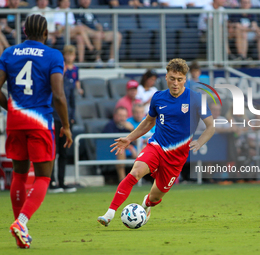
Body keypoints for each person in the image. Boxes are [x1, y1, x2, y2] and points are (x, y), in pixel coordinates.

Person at [97, 58, 214, 227]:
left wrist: (200, 141)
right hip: (157, 146)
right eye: (172, 78)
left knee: (155, 197)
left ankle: (146, 204)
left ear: (185, 80)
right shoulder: (158, 97)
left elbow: (211, 126)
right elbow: (148, 122)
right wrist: (130, 138)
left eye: (179, 79)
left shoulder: (197, 99)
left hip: (176, 159)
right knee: (135, 172)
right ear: (166, 77)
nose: (175, 83)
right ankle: (109, 214)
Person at [0, 14, 72, 248]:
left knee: (19, 175)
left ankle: (21, 232)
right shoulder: (53, 55)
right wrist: (67, 126)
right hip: (40, 123)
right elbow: (59, 95)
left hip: (15, 122)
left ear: (24, 32)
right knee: (43, 176)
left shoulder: (9, 53)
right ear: (45, 34)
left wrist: (10, 107)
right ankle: (21, 222)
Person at [49, 45, 82, 194]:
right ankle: (51, 182)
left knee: (63, 152)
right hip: (54, 120)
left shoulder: (69, 83)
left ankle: (61, 182)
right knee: (52, 152)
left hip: (66, 121)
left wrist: (71, 118)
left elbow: (72, 102)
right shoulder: (50, 84)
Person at [75, 0, 122, 67]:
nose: (86, 1)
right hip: (87, 34)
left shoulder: (91, 11)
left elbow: (97, 24)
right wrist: (96, 32)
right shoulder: (76, 11)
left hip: (97, 32)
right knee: (97, 35)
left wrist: (101, 30)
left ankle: (111, 61)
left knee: (117, 35)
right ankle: (98, 60)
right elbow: (80, 26)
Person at [102, 106, 135, 182]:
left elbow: (136, 142)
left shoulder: (127, 126)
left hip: (129, 150)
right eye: (120, 116)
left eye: (124, 116)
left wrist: (132, 130)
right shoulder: (109, 126)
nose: (122, 118)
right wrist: (130, 147)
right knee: (120, 150)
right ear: (115, 116)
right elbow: (110, 142)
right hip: (111, 151)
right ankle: (122, 179)